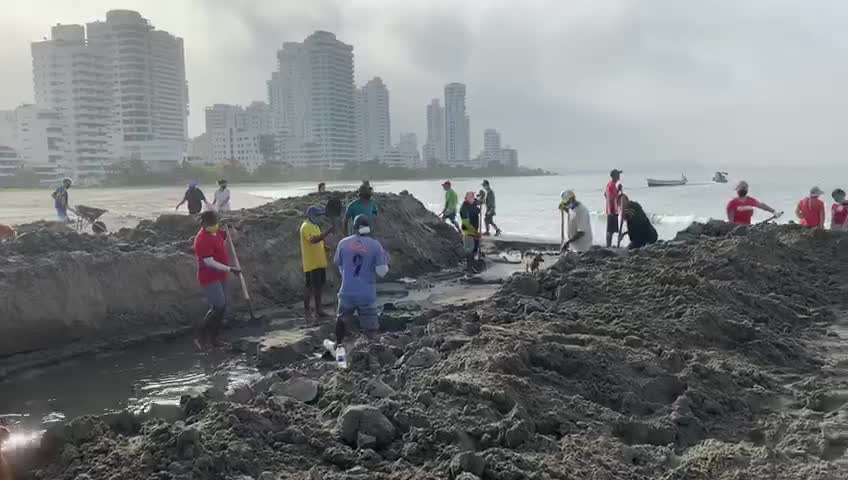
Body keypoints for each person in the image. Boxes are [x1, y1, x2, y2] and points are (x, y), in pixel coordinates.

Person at [334, 215, 389, 343]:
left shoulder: (343, 243)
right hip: (366, 294)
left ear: (354, 227)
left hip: (347, 291)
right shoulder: (375, 245)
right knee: (370, 328)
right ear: (369, 228)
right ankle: (370, 352)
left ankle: (338, 347)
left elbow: (339, 265)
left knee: (341, 319)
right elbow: (382, 272)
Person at [193, 211, 241, 349]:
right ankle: (200, 337)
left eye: (216, 223)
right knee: (219, 306)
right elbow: (209, 262)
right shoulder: (201, 240)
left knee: (221, 307)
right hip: (209, 277)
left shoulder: (217, 232)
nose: (214, 226)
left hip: (221, 276)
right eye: (211, 224)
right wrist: (230, 269)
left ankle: (214, 339)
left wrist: (231, 228)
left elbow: (233, 237)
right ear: (203, 224)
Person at [300, 206, 334, 320]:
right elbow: (313, 240)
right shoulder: (305, 227)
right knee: (309, 287)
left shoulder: (315, 226)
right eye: (318, 216)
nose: (319, 218)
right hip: (311, 263)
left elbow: (319, 241)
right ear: (311, 215)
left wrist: (325, 247)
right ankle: (307, 311)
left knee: (319, 286)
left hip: (319, 262)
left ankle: (319, 310)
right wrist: (327, 232)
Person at [459, 191, 482, 272]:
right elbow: (466, 223)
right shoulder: (464, 208)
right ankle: (469, 267)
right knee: (469, 249)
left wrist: (481, 199)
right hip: (467, 230)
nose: (473, 199)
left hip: (474, 229)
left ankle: (473, 265)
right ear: (466, 198)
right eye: (471, 197)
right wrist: (475, 233)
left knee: (475, 248)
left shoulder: (472, 203)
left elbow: (477, 203)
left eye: (473, 197)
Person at [604, 169, 623, 247]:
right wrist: (618, 191)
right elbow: (613, 197)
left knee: (611, 230)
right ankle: (608, 246)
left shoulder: (610, 184)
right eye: (618, 174)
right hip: (611, 210)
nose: (619, 176)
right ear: (614, 176)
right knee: (610, 230)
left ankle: (609, 245)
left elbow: (605, 194)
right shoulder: (611, 185)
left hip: (611, 209)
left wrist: (618, 191)